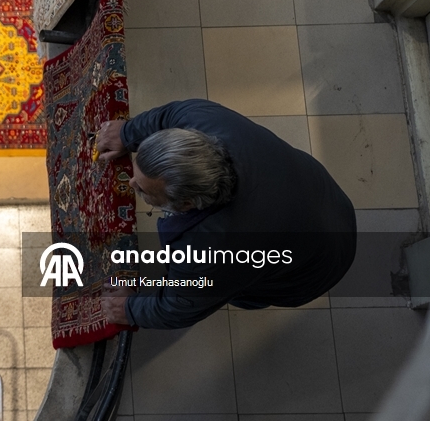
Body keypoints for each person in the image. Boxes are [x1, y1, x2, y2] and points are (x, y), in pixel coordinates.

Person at [95, 99, 357, 329]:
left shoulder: (212, 252)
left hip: (317, 269)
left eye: (142, 189)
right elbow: (170, 115)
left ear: (186, 204)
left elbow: (178, 305)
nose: (130, 184)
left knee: (234, 288)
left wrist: (128, 309)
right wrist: (128, 132)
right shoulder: (204, 119)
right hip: (329, 199)